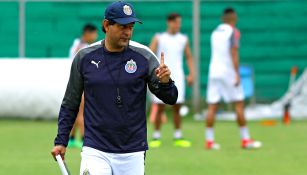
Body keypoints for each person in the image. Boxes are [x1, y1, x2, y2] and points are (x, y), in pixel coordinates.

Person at [51, 1, 178, 175]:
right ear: (106, 25)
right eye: (122, 26)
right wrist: (61, 140)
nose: (128, 32)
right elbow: (70, 103)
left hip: (133, 150)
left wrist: (166, 82)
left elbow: (170, 98)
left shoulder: (144, 57)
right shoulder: (84, 58)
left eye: (131, 27)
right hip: (95, 148)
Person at [205, 8, 262, 150]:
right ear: (234, 18)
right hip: (227, 72)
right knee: (239, 104)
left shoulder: (215, 32)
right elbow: (234, 52)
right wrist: (237, 73)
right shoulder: (233, 31)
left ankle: (209, 141)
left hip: (213, 72)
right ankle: (245, 139)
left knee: (212, 106)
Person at [148, 13, 195, 148]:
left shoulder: (183, 39)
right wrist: (151, 74)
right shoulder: (159, 38)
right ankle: (156, 136)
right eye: (176, 22)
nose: (178, 25)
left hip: (178, 77)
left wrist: (191, 74)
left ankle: (178, 135)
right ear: (169, 22)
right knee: (159, 107)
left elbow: (189, 57)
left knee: (177, 106)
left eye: (179, 22)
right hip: (161, 76)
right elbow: (149, 55)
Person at [67, 24, 98, 148]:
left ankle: (72, 138)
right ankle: (85, 140)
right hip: (82, 83)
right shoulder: (84, 47)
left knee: (76, 111)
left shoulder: (76, 44)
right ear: (87, 34)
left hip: (75, 83)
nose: (96, 36)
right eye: (94, 33)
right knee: (82, 112)